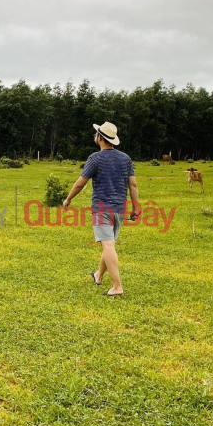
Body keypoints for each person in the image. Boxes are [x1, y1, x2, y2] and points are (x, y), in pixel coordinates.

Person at [63, 122, 140, 296]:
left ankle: (117, 286)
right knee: (109, 244)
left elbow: (80, 183)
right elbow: (133, 184)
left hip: (101, 208)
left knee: (108, 244)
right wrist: (136, 206)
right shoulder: (126, 159)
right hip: (120, 208)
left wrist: (68, 199)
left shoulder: (95, 158)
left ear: (100, 137)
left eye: (96, 134)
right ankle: (98, 275)